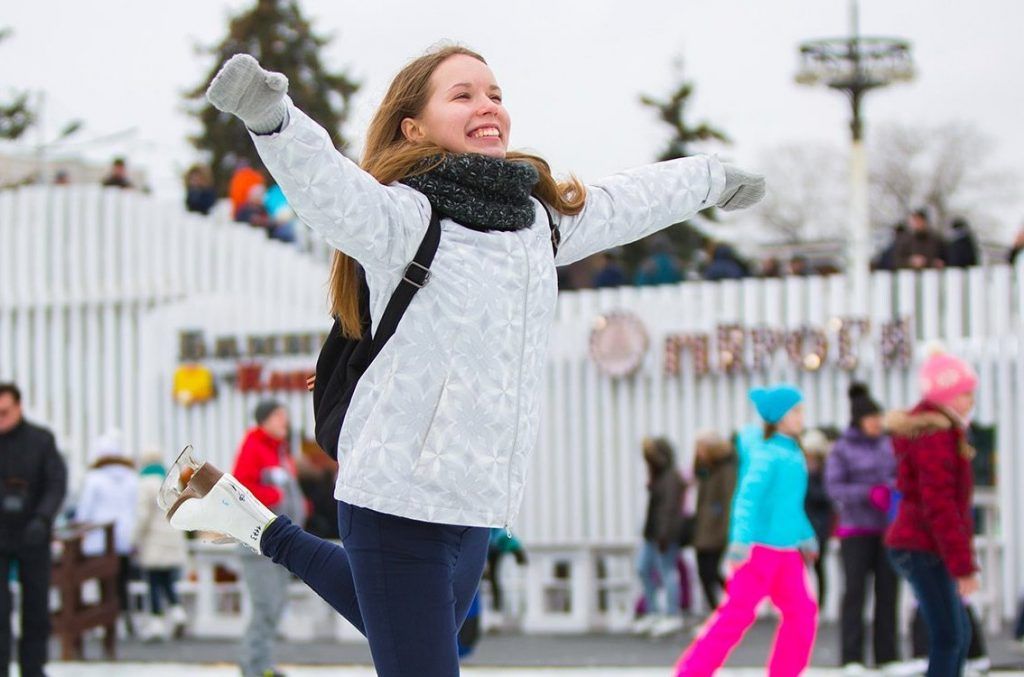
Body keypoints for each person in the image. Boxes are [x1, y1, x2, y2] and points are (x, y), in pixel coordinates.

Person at [162, 47, 765, 676]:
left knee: (398, 624)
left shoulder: (537, 223)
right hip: (395, 495)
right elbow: (329, 190)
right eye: (463, 94)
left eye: (495, 94)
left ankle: (254, 524)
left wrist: (711, 179)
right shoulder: (404, 217)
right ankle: (259, 527)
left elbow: (624, 201)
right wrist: (273, 117)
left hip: (476, 500)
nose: (488, 107)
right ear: (413, 126)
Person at [675, 384, 818, 677]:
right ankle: (692, 672)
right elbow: (747, 499)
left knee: (802, 613)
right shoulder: (768, 455)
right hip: (759, 551)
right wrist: (740, 540)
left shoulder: (792, 452)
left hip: (786, 552)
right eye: (797, 411)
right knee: (736, 616)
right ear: (779, 417)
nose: (802, 417)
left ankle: (785, 672)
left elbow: (790, 505)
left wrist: (805, 535)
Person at [885, 348, 980, 677]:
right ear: (946, 395)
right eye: (965, 394)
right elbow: (938, 504)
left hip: (924, 544)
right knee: (949, 636)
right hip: (920, 545)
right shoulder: (935, 436)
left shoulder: (943, 431)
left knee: (957, 634)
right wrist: (963, 566)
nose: (971, 401)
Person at [825, 382, 901, 673]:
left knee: (888, 592)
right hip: (855, 531)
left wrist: (891, 492)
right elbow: (835, 488)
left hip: (887, 530)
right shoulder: (842, 449)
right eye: (872, 419)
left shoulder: (887, 445)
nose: (877, 424)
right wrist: (867, 493)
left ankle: (887, 655)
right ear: (859, 420)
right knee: (855, 593)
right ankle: (852, 656)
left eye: (880, 418)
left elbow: (900, 475)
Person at [232, 400, 306, 677]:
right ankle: (252, 665)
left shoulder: (279, 450)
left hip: (277, 543)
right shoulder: (254, 446)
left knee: (275, 605)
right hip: (258, 544)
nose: (284, 422)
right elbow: (242, 488)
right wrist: (276, 497)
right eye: (278, 417)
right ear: (263, 420)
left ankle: (261, 663)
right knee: (266, 605)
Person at [0, 383, 67, 677]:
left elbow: (56, 483)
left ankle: (33, 668)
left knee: (36, 607)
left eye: (4, 412)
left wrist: (43, 518)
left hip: (33, 534)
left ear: (19, 407)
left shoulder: (41, 440)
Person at [75, 429, 140, 635]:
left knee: (103, 581)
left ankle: (105, 621)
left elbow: (85, 510)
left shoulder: (94, 478)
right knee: (122, 581)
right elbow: (135, 507)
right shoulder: (131, 477)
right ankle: (121, 619)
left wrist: (81, 529)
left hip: (98, 539)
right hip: (124, 537)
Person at [132, 451, 189, 642]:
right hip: (173, 536)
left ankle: (156, 622)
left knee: (154, 581)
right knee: (168, 580)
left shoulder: (144, 484)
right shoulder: (172, 481)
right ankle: (178, 612)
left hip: (153, 540)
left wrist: (133, 539)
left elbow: (142, 516)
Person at [634, 437, 687, 638]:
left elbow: (670, 509)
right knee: (643, 568)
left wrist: (665, 535)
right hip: (652, 534)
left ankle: (672, 614)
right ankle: (653, 611)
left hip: (664, 535)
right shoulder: (659, 476)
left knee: (667, 572)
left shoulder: (672, 478)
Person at [691, 430, 737, 612]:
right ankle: (717, 609)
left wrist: (727, 531)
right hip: (703, 529)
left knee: (710, 571)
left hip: (716, 530)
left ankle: (730, 604)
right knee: (704, 572)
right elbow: (696, 473)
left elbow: (728, 501)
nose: (698, 452)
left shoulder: (726, 470)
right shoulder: (706, 470)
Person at [801, 428, 834, 608]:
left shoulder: (823, 474)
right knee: (799, 568)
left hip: (819, 526)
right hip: (802, 526)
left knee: (819, 566)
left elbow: (825, 497)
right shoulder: (800, 472)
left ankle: (819, 606)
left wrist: (810, 478)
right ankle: (801, 603)